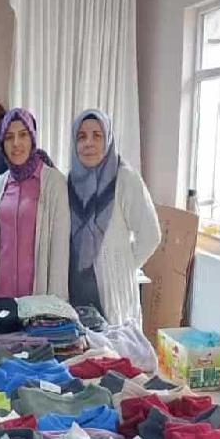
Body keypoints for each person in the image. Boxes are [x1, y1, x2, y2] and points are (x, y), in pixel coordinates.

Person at [68, 108, 161, 324]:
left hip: (113, 294)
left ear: (108, 140)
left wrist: (123, 265)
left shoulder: (125, 179)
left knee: (117, 343)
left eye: (97, 135)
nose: (89, 143)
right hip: (76, 290)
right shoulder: (70, 182)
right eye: (81, 137)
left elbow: (150, 235)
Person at [0, 108, 70, 299]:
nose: (16, 143)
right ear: (2, 144)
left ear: (32, 138)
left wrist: (55, 306)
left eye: (23, 135)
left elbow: (60, 252)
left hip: (37, 298)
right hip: (1, 298)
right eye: (9, 137)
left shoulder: (54, 183)